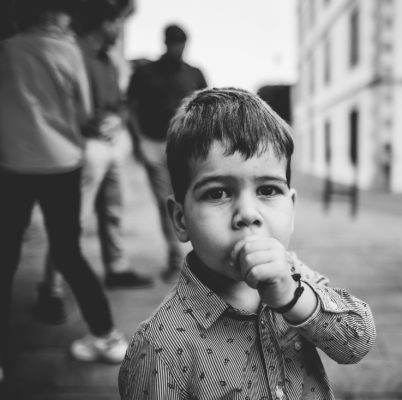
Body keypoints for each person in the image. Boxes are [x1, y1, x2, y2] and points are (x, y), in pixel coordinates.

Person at [118, 88, 376, 399]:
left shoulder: (295, 276)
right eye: (217, 193)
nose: (248, 214)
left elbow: (357, 342)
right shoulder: (161, 346)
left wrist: (294, 298)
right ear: (180, 219)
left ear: (291, 209)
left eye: (267, 190)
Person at [0, 0, 128, 381]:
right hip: (62, 164)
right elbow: (85, 112)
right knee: (68, 251)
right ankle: (106, 337)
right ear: (58, 16)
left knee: (5, 256)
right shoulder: (70, 50)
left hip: (14, 163)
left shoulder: (7, 48)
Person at [34, 0, 153, 325]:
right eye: (118, 23)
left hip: (109, 145)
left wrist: (117, 118)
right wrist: (87, 122)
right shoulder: (73, 52)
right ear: (105, 23)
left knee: (113, 210)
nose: (120, 29)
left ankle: (116, 269)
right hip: (83, 146)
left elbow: (120, 103)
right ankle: (52, 288)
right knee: (72, 220)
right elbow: (56, 102)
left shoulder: (105, 59)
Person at [127, 24, 208, 283]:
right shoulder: (145, 72)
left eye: (182, 43)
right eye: (174, 43)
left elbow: (207, 108)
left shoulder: (194, 73)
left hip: (185, 146)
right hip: (153, 143)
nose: (179, 48)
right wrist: (138, 142)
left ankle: (202, 257)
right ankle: (176, 259)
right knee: (167, 204)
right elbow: (129, 107)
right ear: (165, 43)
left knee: (194, 201)